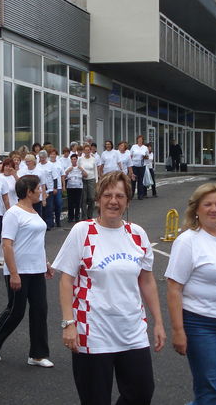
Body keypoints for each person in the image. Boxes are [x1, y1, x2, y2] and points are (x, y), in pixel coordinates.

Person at [52, 171, 166, 405]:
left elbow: (146, 280)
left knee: (141, 393)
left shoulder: (137, 234)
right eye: (107, 195)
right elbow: (66, 280)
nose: (113, 201)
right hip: (93, 333)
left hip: (132, 331)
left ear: (128, 201)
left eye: (120, 196)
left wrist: (159, 322)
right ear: (98, 199)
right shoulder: (83, 231)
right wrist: (68, 323)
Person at [165, 183, 216, 404]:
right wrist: (178, 330)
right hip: (201, 324)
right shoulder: (187, 241)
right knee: (209, 391)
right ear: (196, 209)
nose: (214, 209)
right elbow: (174, 288)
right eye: (208, 204)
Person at [0, 175, 54, 368]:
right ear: (29, 192)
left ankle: (38, 355)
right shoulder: (13, 213)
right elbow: (7, 245)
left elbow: (36, 242)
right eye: (38, 188)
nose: (41, 191)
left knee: (40, 310)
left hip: (37, 269)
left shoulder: (34, 212)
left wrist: (45, 262)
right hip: (19, 270)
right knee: (16, 311)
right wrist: (14, 273)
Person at [36, 150, 58, 230]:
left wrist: (55, 188)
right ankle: (43, 223)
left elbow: (55, 177)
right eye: (40, 157)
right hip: (40, 190)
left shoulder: (51, 165)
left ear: (46, 157)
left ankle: (49, 223)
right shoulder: (37, 166)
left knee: (49, 207)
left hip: (49, 189)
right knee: (42, 207)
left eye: (43, 157)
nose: (42, 159)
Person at [78, 144, 98, 220]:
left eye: (88, 150)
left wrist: (96, 181)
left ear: (90, 151)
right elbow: (78, 168)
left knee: (92, 198)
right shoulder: (80, 159)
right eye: (85, 150)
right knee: (83, 199)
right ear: (83, 151)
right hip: (83, 180)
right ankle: (84, 216)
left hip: (91, 179)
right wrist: (82, 173)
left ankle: (90, 215)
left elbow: (95, 170)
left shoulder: (93, 159)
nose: (87, 151)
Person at [65, 154, 86, 222]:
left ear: (77, 160)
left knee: (78, 202)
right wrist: (68, 171)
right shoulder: (68, 167)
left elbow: (86, 175)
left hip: (78, 186)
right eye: (72, 159)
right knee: (70, 202)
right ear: (71, 160)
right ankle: (70, 217)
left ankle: (77, 216)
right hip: (70, 186)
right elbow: (63, 176)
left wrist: (82, 169)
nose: (73, 160)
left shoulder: (80, 167)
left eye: (75, 159)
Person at [48, 149, 66, 227]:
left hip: (58, 187)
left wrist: (63, 186)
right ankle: (51, 221)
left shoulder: (59, 163)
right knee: (50, 205)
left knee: (59, 203)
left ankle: (58, 220)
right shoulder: (48, 163)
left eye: (54, 154)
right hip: (50, 187)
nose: (53, 155)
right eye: (51, 154)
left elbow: (62, 175)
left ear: (56, 155)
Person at [130, 135, 150, 200]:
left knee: (140, 181)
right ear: (137, 140)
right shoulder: (134, 146)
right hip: (134, 165)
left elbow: (147, 156)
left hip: (142, 165)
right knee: (133, 180)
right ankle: (131, 194)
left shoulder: (145, 147)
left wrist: (145, 157)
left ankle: (140, 195)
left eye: (141, 139)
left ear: (143, 140)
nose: (140, 140)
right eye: (139, 139)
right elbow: (130, 155)